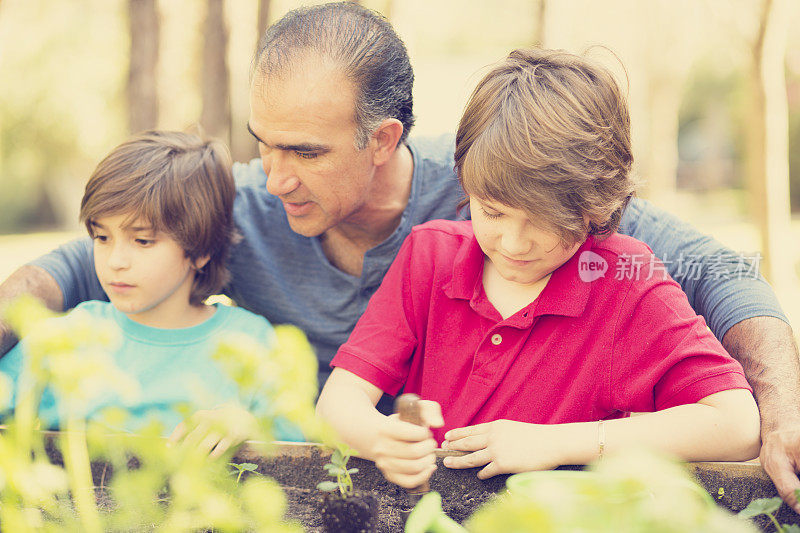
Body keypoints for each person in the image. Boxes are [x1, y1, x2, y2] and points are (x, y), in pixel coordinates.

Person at [0, 1, 798, 511]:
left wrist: (785, 407)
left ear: (383, 140)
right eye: (264, 144)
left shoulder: (509, 190)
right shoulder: (241, 205)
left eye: (305, 151)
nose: (272, 177)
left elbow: (722, 274)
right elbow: (76, 266)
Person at [316, 48, 761, 487]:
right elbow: (339, 401)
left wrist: (555, 443)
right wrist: (379, 438)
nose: (513, 244)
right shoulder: (429, 256)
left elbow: (736, 425)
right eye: (491, 212)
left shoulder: (626, 285)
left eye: (544, 221)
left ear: (595, 207)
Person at [0, 131, 300, 455]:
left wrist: (245, 424)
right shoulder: (64, 338)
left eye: (142, 241)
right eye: (101, 238)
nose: (115, 261)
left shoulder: (251, 342)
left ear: (201, 250)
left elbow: (300, 444)